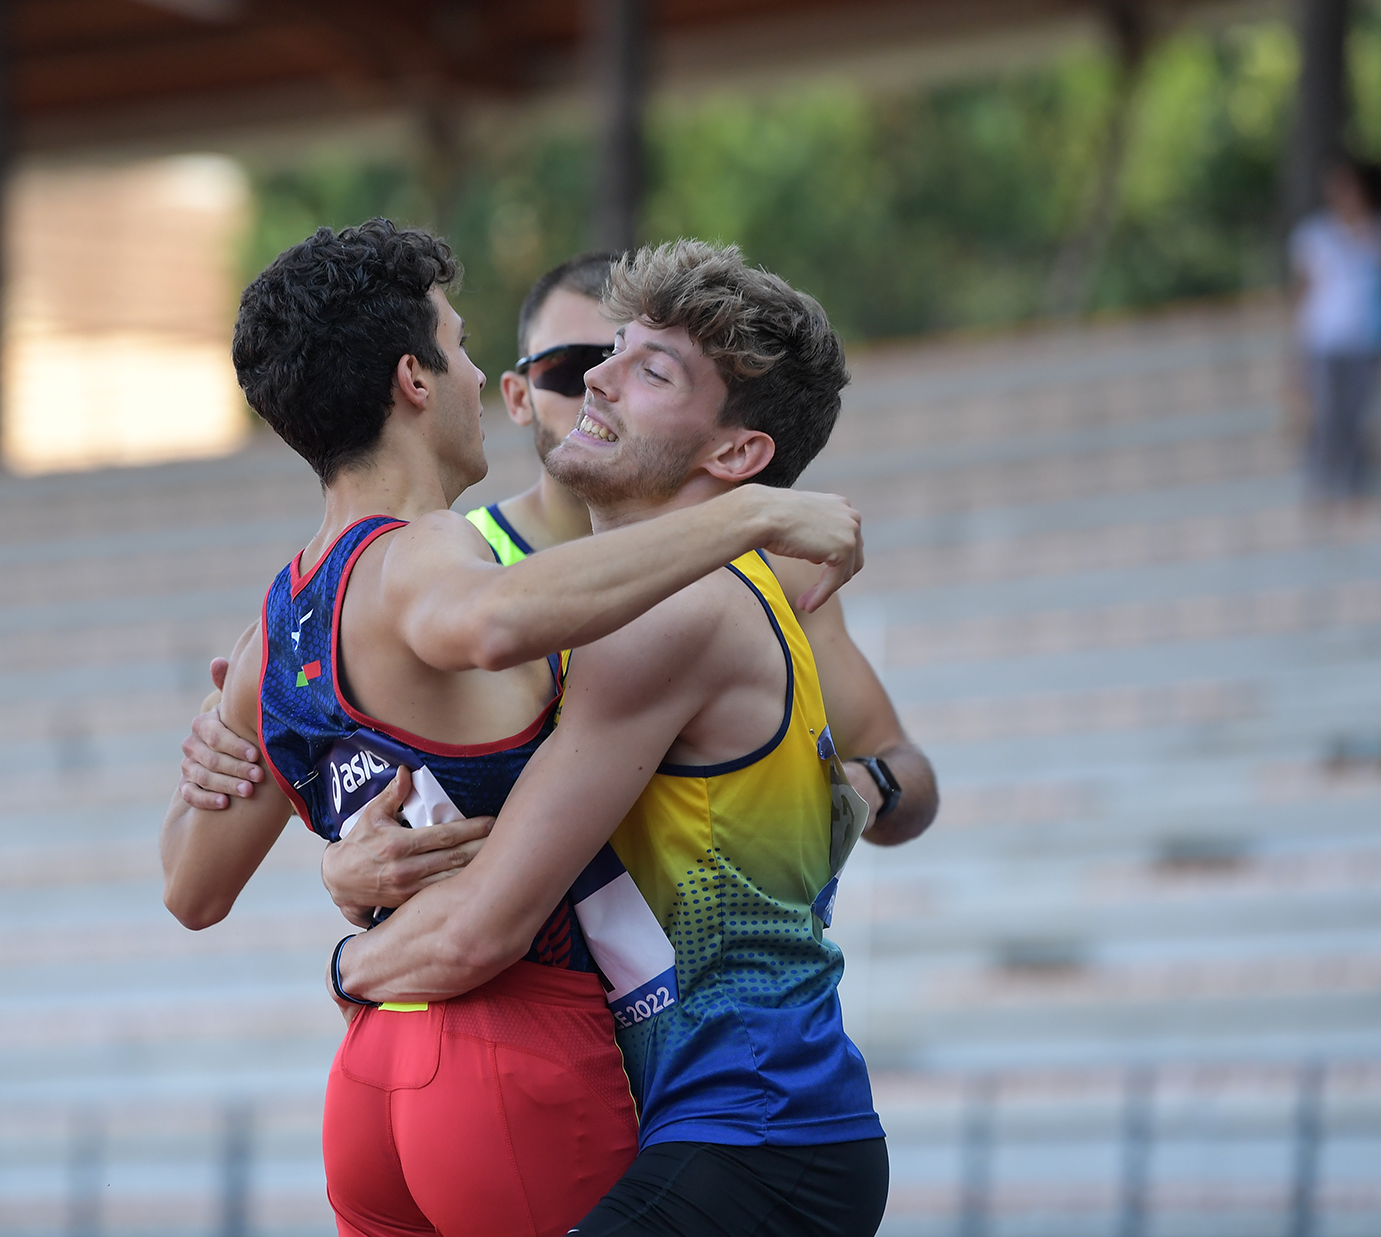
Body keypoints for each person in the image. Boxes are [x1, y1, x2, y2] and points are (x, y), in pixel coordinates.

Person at [159, 218, 867, 1237]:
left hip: (619, 1099)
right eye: (459, 346)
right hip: (551, 1064)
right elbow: (485, 632)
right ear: (413, 379)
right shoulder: (461, 568)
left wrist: (348, 938)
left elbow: (201, 888)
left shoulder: (284, 619)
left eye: (642, 368)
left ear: (735, 450)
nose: (587, 382)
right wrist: (752, 515)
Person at [1290, 158, 1381, 502]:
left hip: (1371, 338)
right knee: (1329, 413)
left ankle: (1352, 485)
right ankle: (1326, 483)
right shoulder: (1316, 233)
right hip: (1325, 338)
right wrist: (1296, 347)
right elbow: (1305, 290)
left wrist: (1372, 233)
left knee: (1357, 413)